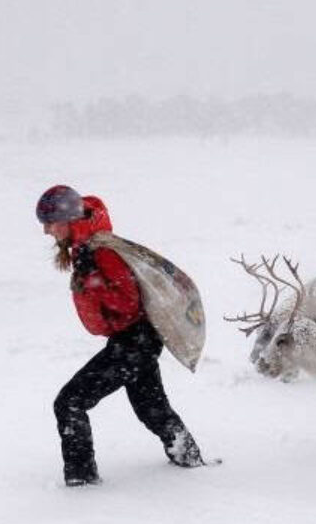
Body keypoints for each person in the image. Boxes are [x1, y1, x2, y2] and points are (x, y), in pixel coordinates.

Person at [38, 184, 207, 487]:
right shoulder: (88, 247)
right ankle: (189, 456)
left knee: (70, 402)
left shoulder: (101, 251)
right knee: (151, 408)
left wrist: (92, 283)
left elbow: (128, 304)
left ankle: (81, 478)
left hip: (135, 341)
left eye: (49, 222)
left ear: (66, 219)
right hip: (136, 341)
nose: (46, 231)